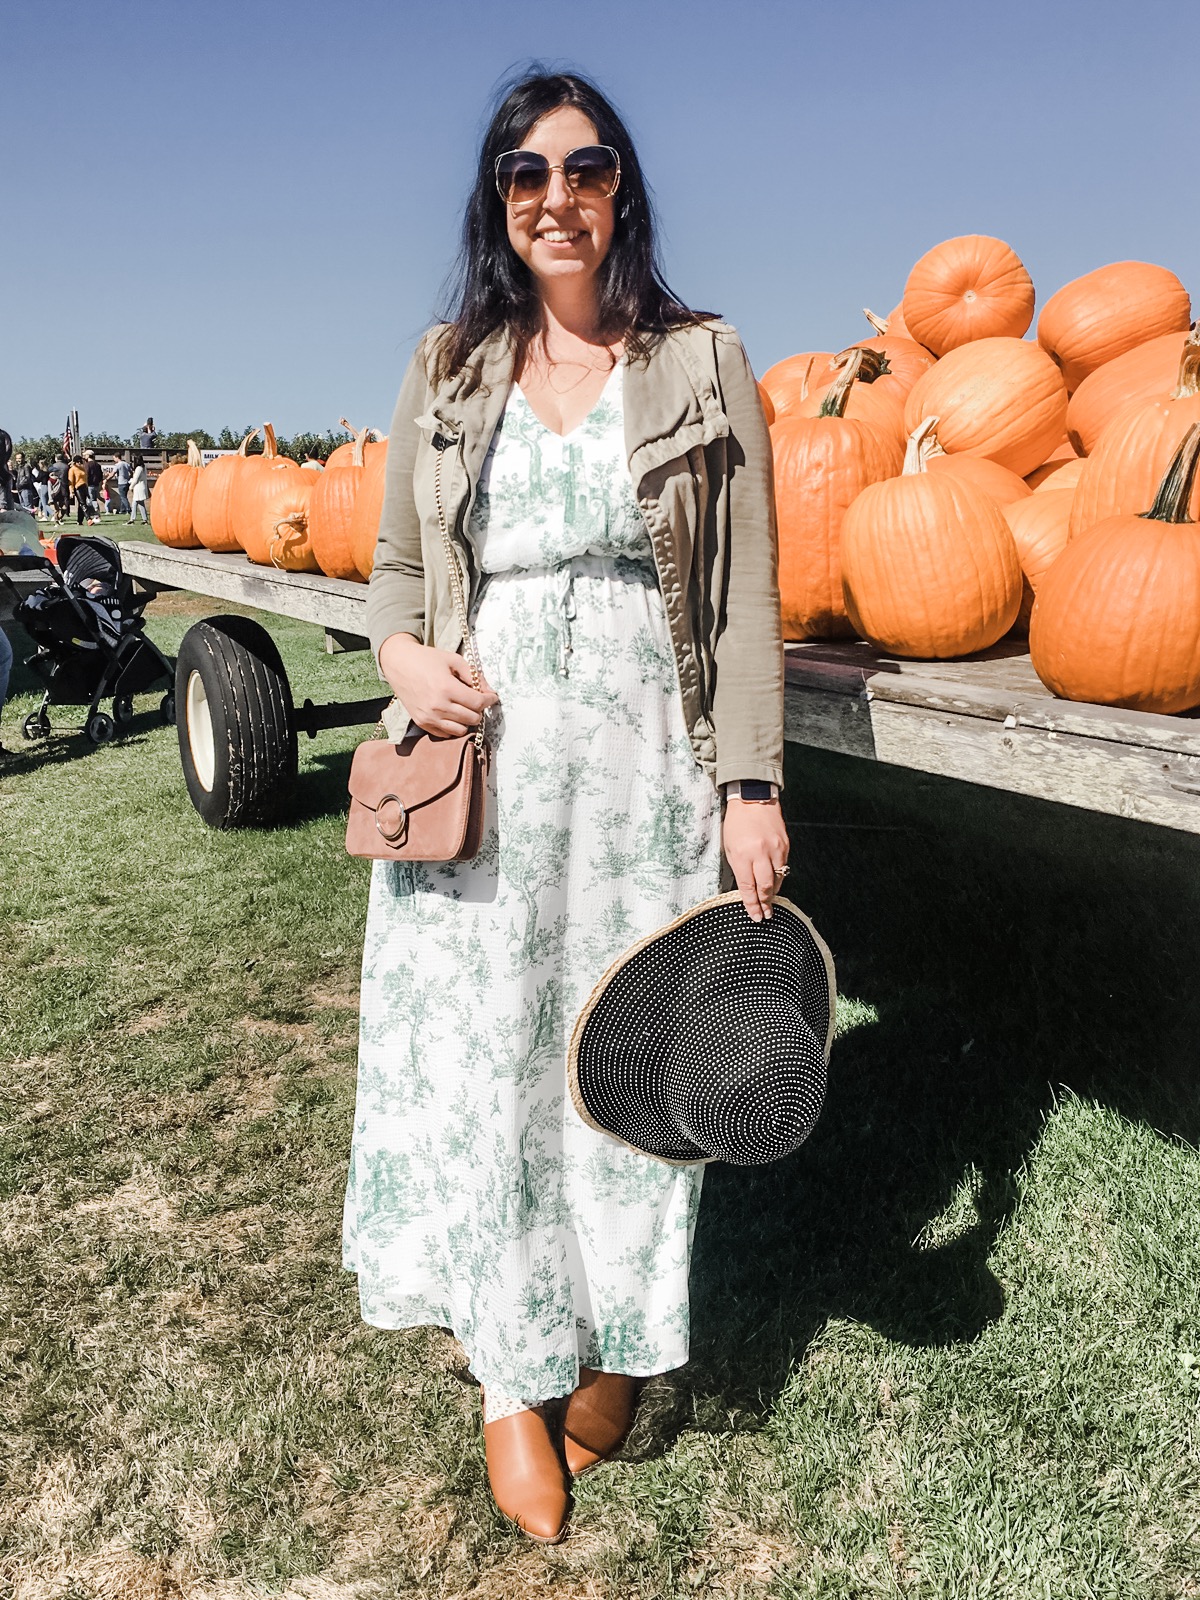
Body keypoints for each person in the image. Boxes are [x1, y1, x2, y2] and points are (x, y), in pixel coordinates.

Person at [346, 72, 785, 1545]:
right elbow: (400, 577)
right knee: (492, 1073)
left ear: (621, 190)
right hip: (485, 787)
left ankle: (608, 1349)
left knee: (624, 1067)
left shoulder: (702, 361)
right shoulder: (448, 368)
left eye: (584, 168)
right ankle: (504, 1388)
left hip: (642, 777)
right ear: (497, 199)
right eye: (525, 174)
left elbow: (741, 607)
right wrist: (408, 658)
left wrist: (750, 785)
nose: (556, 196)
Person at [126, 453, 150, 524]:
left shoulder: (139, 468)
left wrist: (131, 486)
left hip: (138, 488)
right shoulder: (143, 467)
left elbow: (135, 479)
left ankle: (132, 519)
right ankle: (143, 519)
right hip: (141, 487)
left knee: (136, 503)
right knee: (138, 503)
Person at [108, 450, 132, 516]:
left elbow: (113, 473)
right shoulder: (126, 464)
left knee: (123, 497)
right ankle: (122, 509)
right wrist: (129, 477)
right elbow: (131, 472)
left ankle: (128, 509)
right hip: (127, 482)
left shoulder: (117, 465)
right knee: (124, 496)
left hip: (121, 482)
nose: (114, 459)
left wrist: (107, 479)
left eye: (114, 458)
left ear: (117, 457)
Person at [48, 454, 70, 525]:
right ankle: (61, 517)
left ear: (56, 458)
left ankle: (57, 518)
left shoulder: (53, 466)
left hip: (54, 488)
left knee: (56, 506)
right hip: (64, 486)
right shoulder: (66, 466)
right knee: (63, 503)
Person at [68, 455, 89, 526]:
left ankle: (79, 521)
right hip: (78, 488)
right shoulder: (72, 469)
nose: (80, 463)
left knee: (81, 505)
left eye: (81, 461)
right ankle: (88, 518)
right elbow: (71, 481)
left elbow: (85, 478)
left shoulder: (82, 468)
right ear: (75, 462)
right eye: (78, 462)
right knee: (83, 504)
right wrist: (71, 491)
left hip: (84, 487)